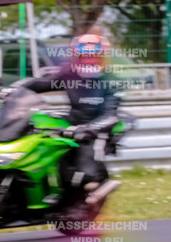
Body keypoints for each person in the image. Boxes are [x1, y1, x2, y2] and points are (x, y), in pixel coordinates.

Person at [11, 32, 125, 195]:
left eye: (94, 56)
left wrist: (88, 129)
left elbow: (111, 115)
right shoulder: (69, 74)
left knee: (86, 177)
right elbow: (42, 83)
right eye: (84, 56)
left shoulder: (112, 81)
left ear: (102, 57)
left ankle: (97, 187)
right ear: (76, 56)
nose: (89, 60)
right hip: (70, 123)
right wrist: (14, 89)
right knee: (36, 133)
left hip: (95, 132)